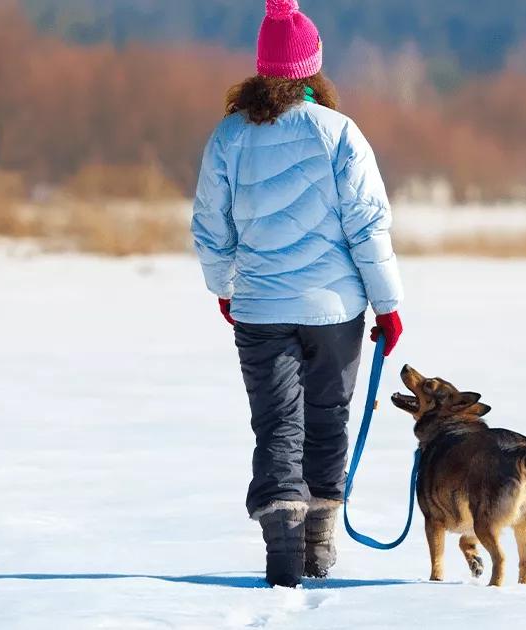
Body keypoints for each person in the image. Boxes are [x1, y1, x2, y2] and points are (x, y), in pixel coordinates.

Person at [191, 0, 404, 588]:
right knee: (327, 417)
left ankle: (283, 545)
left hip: (260, 307)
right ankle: (318, 542)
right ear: (312, 69)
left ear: (261, 70)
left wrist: (223, 287)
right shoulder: (340, 133)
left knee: (277, 424)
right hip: (335, 308)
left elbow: (211, 225)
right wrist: (387, 304)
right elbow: (368, 225)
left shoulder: (229, 136)